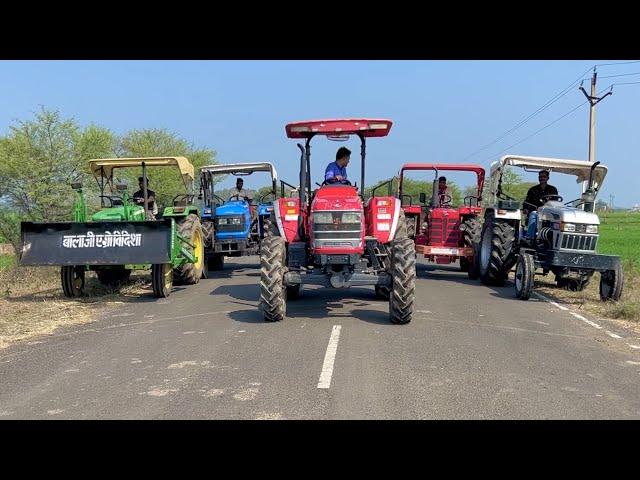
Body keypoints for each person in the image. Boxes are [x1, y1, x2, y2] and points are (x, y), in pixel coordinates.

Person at [524, 170, 558, 240]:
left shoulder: (553, 189)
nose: (542, 178)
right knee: (533, 214)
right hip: (536, 211)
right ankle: (530, 237)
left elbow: (556, 202)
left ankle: (554, 238)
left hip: (549, 212)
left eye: (544, 177)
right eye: (540, 177)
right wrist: (526, 209)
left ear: (547, 178)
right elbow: (527, 202)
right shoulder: (533, 189)